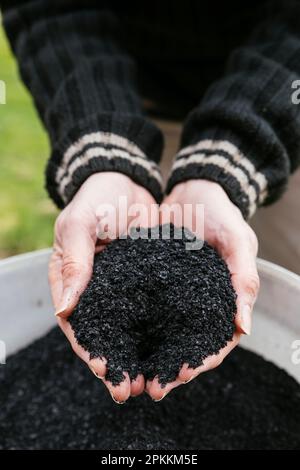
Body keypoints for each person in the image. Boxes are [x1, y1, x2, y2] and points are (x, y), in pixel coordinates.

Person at [2, 0, 300, 403]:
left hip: (280, 103)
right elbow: (47, 8)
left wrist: (227, 164)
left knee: (278, 291)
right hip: (121, 94)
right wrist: (104, 162)